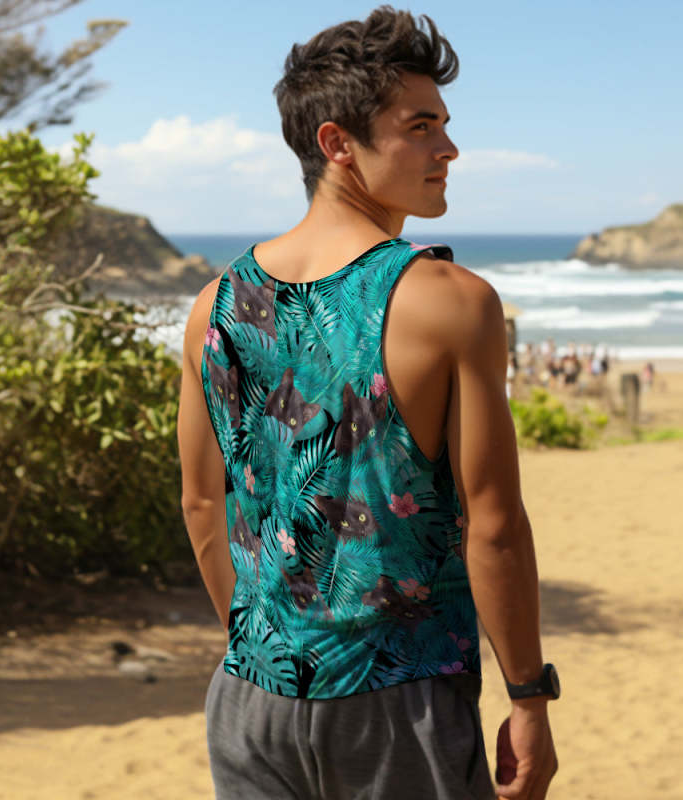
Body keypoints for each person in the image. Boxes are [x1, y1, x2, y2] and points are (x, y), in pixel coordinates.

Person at [176, 7, 558, 800]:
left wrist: (267, 650)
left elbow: (202, 505)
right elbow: (492, 525)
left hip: (248, 699)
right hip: (400, 702)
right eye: (420, 126)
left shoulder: (212, 306)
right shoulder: (451, 301)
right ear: (337, 143)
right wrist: (528, 696)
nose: (448, 148)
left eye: (444, 124)